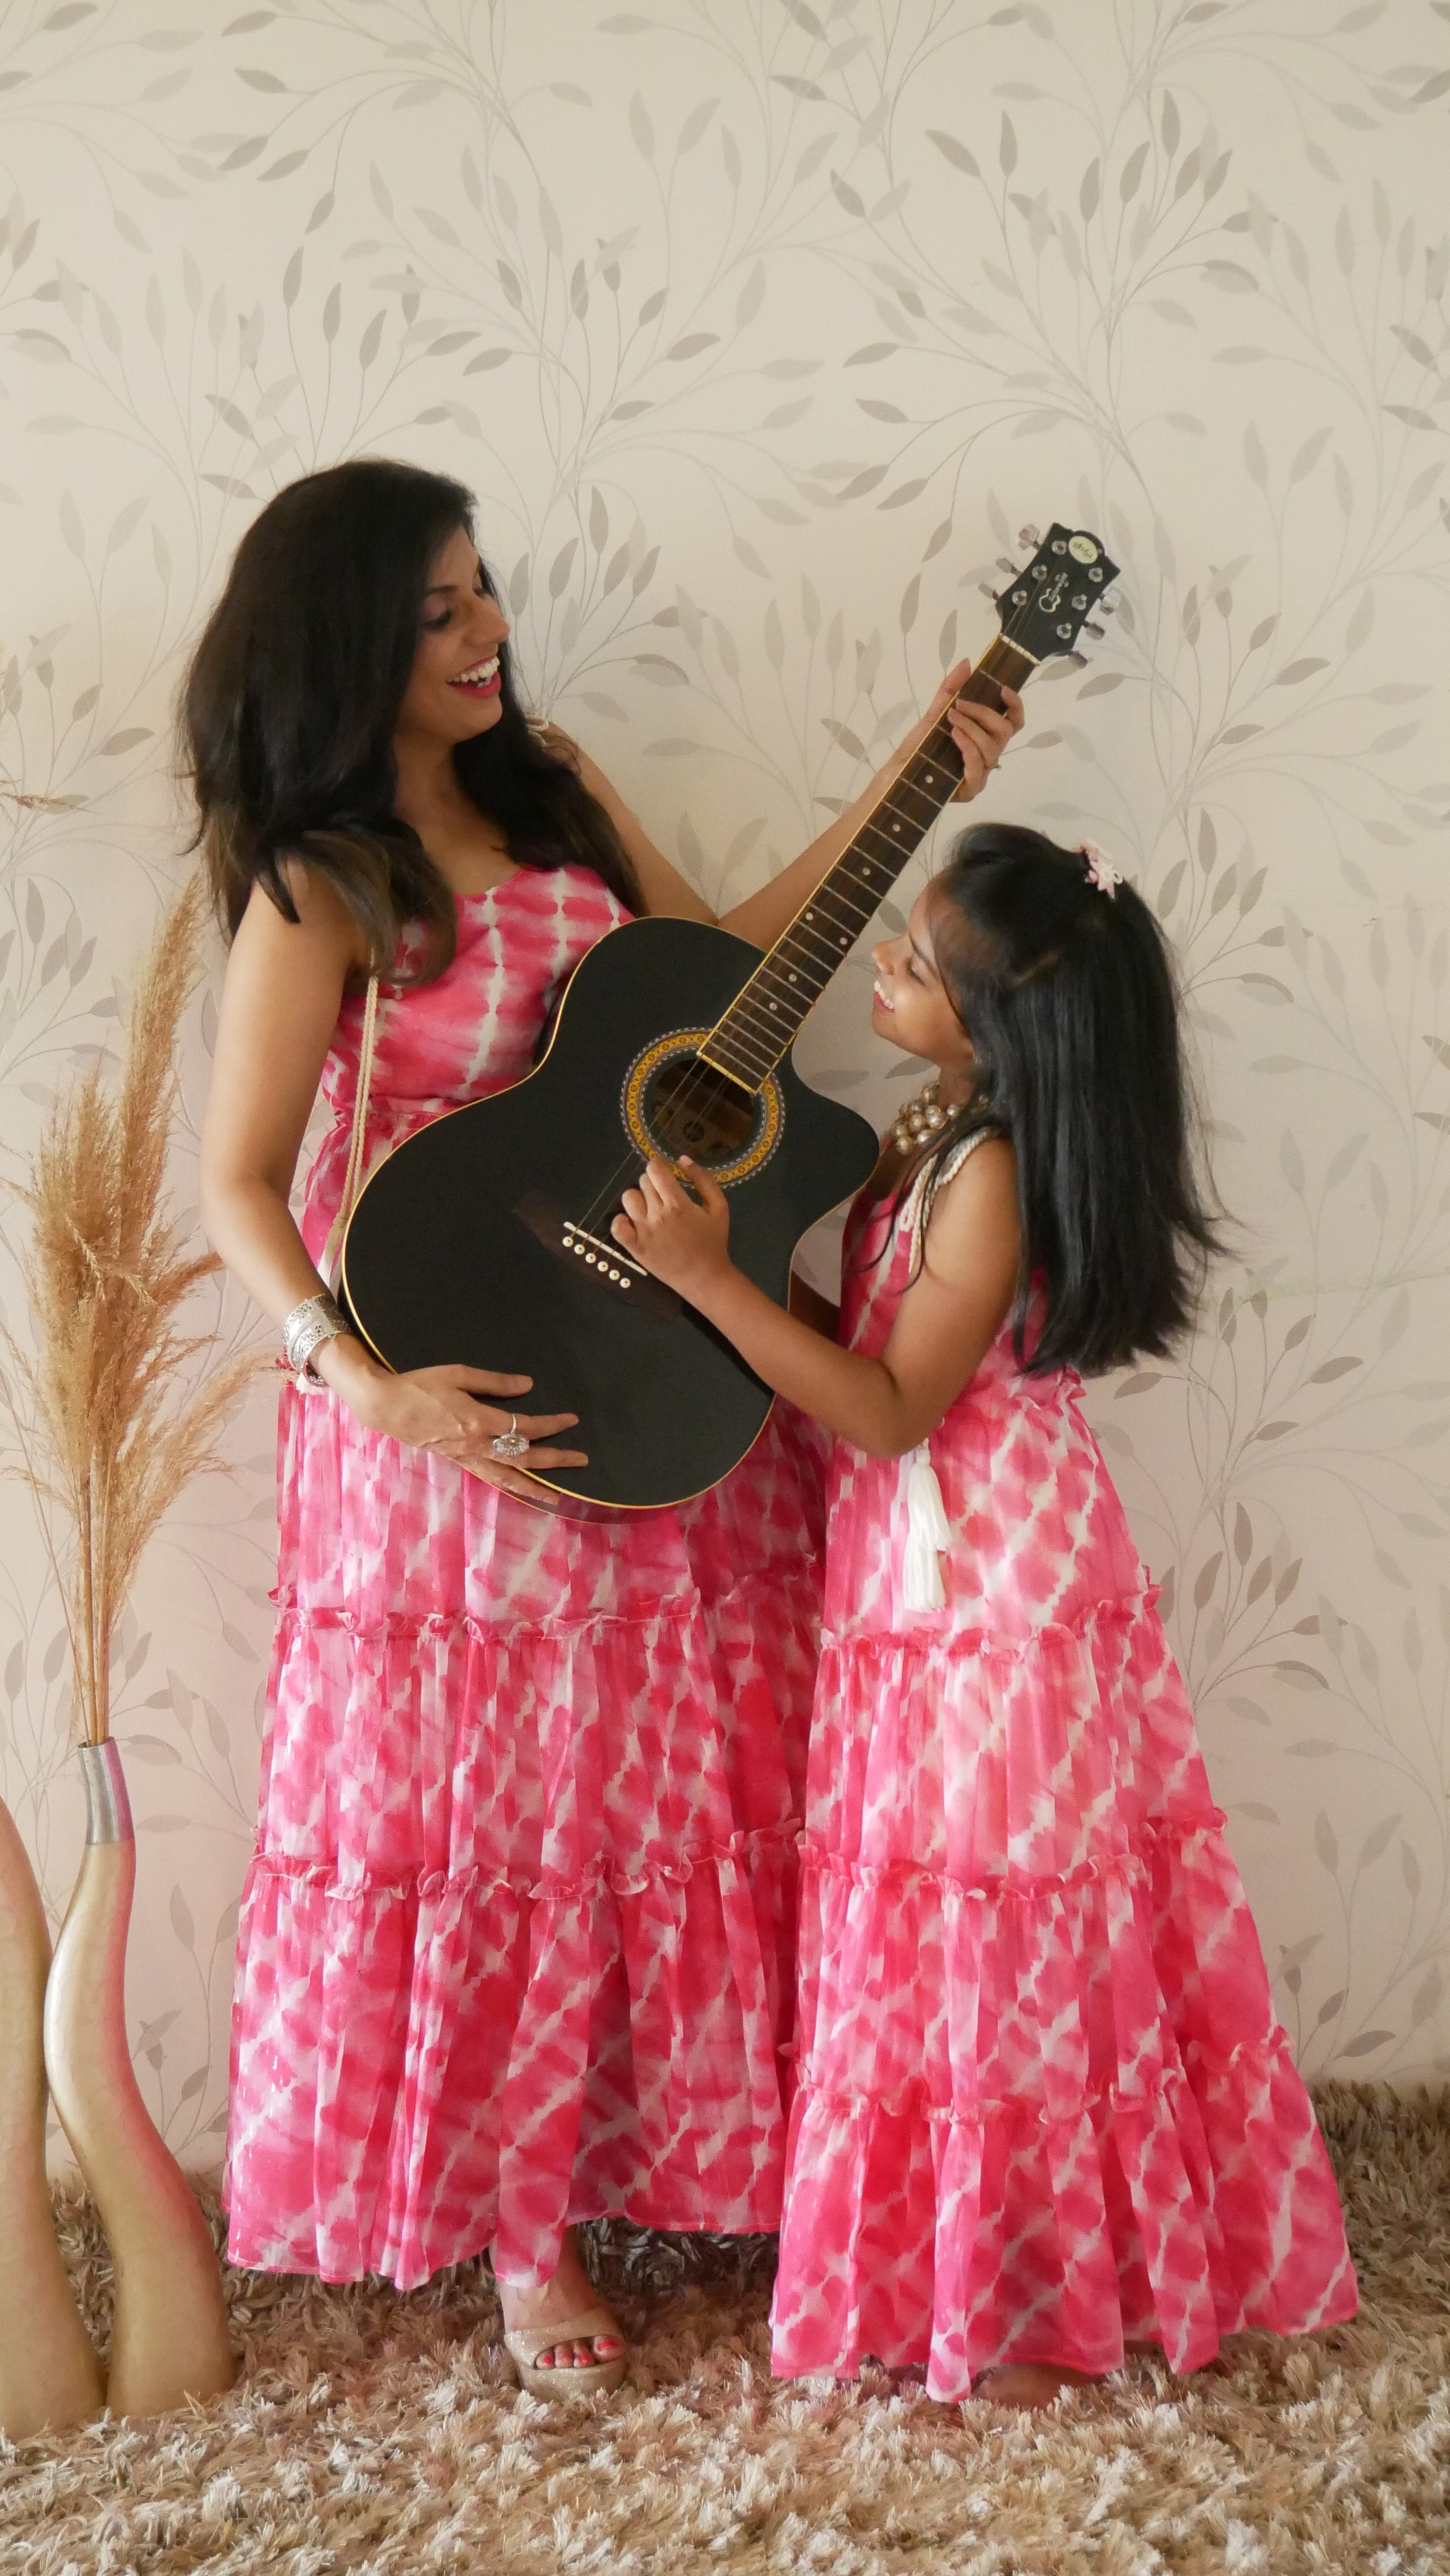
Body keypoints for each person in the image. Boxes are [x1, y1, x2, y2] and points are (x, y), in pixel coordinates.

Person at [192, 456, 1022, 2396]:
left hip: (649, 1369)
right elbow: (236, 1185)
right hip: (448, 1419)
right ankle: (515, 2238)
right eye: (439, 615)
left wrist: (919, 767)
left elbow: (718, 975)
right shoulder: (323, 884)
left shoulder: (551, 786)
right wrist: (362, 1382)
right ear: (344, 645)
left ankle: (674, 2166)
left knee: (638, 1814)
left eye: (486, 594)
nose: (488, 637)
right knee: (486, 1832)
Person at [613, 822, 1359, 2407]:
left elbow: (889, 1411)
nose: (881, 967)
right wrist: (721, 1264)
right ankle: (951, 2274)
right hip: (917, 1587)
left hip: (995, 1599)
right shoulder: (936, 1134)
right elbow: (859, 1348)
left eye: (915, 961)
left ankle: (1029, 2300)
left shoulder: (998, 1173)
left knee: (1005, 1943)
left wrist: (712, 1288)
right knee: (936, 1944)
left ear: (999, 1020)